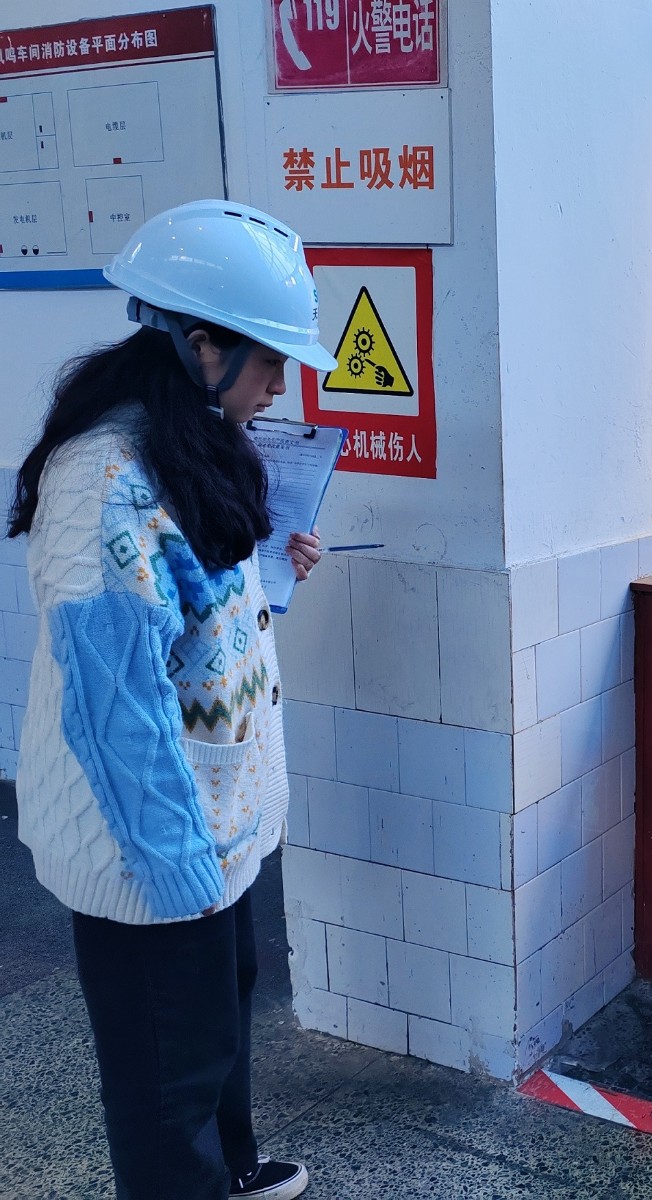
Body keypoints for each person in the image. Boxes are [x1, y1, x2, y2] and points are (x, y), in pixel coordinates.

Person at [7, 199, 337, 1200]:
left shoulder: (189, 436)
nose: (281, 383)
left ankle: (232, 1175)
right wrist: (175, 867)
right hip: (148, 843)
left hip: (213, 820)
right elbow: (118, 710)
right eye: (270, 359)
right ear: (201, 348)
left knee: (216, 1034)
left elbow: (196, 603)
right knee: (167, 1081)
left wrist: (271, 566)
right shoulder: (100, 481)